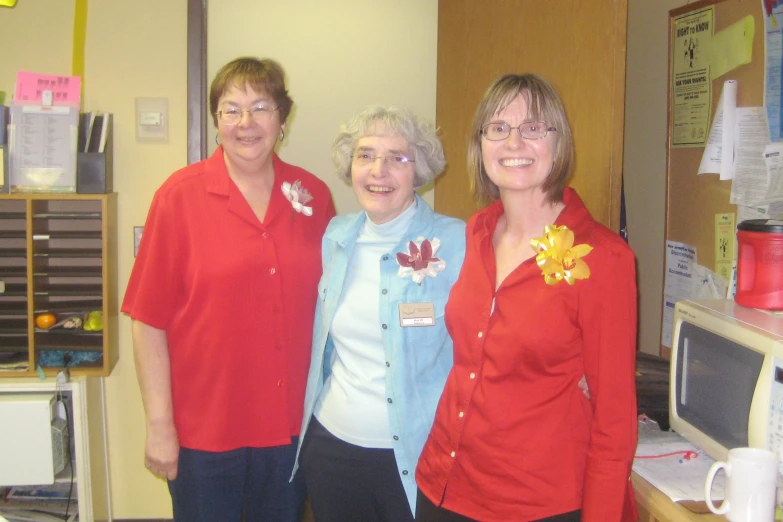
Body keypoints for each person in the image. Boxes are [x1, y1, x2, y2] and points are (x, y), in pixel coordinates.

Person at [416, 73, 638, 522]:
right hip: (444, 484)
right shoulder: (476, 232)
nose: (514, 141)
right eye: (498, 128)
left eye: (534, 127)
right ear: (481, 145)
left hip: (538, 503)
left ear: (560, 143)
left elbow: (614, 422)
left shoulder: (603, 259)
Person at [121, 57, 335, 522]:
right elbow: (147, 319)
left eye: (260, 107)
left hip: (289, 432)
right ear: (216, 121)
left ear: (282, 117)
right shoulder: (178, 198)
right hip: (205, 434)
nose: (246, 123)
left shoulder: (313, 197)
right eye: (230, 109)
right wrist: (160, 425)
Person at [291, 106, 466, 521]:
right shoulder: (336, 235)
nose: (379, 170)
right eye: (366, 155)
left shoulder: (457, 241)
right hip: (332, 448)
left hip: (418, 452)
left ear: (419, 169)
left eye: (397, 158)